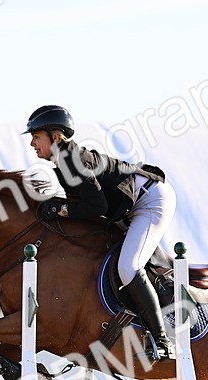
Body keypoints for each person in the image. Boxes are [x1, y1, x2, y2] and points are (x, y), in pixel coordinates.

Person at [24, 104, 177, 361]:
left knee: (129, 267)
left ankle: (163, 342)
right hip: (131, 204)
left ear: (56, 137)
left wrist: (61, 208)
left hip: (151, 200)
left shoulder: (71, 160)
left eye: (36, 137)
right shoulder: (64, 162)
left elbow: (97, 206)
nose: (32, 144)